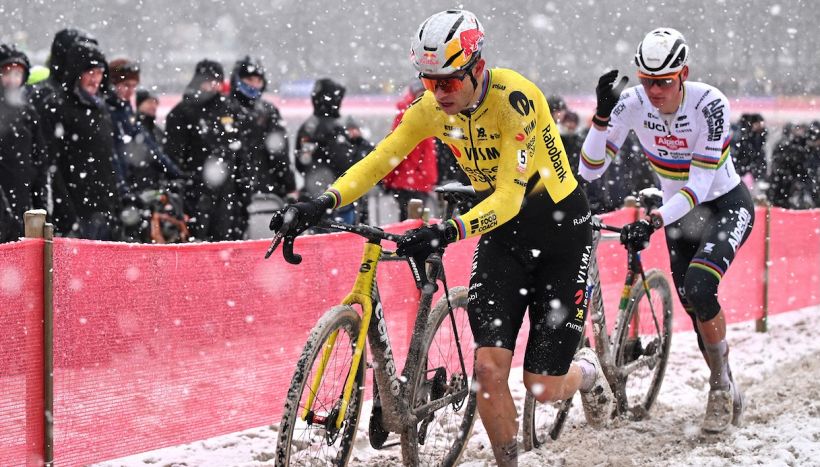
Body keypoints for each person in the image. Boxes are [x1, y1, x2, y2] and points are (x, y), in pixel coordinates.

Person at [270, 9, 613, 466]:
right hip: (503, 234)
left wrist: (448, 230)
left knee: (541, 386)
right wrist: (320, 203)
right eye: (430, 82)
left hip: (558, 232)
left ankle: (586, 373)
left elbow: (510, 197)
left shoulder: (516, 100)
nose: (439, 93)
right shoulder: (430, 109)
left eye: (449, 81)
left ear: (478, 68)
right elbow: (380, 161)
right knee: (488, 368)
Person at [580, 27, 753, 434]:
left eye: (663, 81)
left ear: (683, 73)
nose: (654, 91)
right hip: (680, 213)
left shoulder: (709, 103)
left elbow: (699, 186)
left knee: (700, 286)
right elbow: (591, 168)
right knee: (695, 309)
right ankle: (726, 377)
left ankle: (720, 387)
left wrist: (655, 220)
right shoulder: (633, 103)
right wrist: (602, 118)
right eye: (647, 81)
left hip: (722, 203)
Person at [38, 40, 123, 240]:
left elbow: (108, 158)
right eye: (90, 73)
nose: (96, 79)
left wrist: (116, 199)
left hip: (103, 206)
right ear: (77, 73)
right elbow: (52, 164)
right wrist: (67, 212)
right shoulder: (57, 106)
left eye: (100, 73)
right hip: (77, 209)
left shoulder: (100, 108)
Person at [164, 59, 249, 241]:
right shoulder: (182, 112)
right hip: (195, 193)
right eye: (208, 80)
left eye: (217, 80)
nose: (213, 85)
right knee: (196, 245)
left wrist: (244, 187)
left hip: (228, 195)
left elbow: (240, 152)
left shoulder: (230, 110)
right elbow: (172, 155)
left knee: (227, 244)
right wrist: (181, 188)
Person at [228, 56, 295, 199]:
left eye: (258, 81)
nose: (254, 85)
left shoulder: (269, 111)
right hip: (231, 192)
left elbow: (280, 154)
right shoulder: (224, 110)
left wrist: (288, 185)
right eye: (249, 80)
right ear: (237, 80)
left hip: (265, 191)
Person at [294, 77, 359, 224]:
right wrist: (357, 149)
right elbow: (344, 163)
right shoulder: (332, 127)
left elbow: (301, 163)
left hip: (312, 199)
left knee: (316, 241)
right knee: (342, 243)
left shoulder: (308, 126)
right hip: (336, 198)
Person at [0, 44, 44, 240]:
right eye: (7, 73)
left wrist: (39, 194)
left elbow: (39, 155)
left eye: (17, 74)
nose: (12, 79)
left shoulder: (28, 111)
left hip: (22, 196)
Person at [381, 81, 439, 221]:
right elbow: (396, 148)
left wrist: (387, 179)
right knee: (413, 224)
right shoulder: (419, 113)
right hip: (413, 180)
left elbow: (394, 149)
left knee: (411, 224)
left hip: (410, 179)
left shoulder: (415, 112)